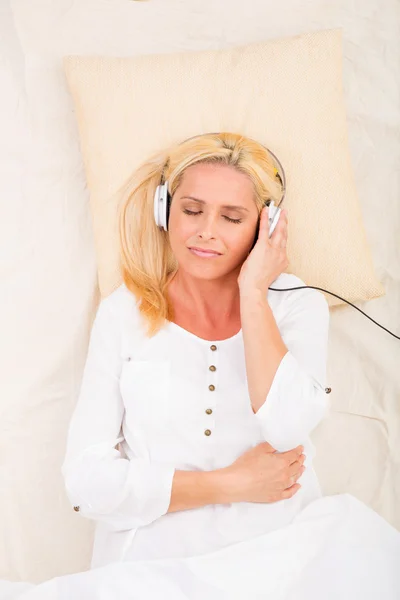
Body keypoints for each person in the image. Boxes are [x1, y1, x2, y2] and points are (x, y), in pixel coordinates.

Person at [1, 132, 399, 599]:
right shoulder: (123, 312)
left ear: (264, 227)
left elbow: (288, 426)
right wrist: (229, 484)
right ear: (163, 212)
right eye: (191, 210)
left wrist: (254, 294)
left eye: (232, 218)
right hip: (154, 565)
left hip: (283, 558)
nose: (206, 230)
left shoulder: (296, 305)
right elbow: (86, 483)